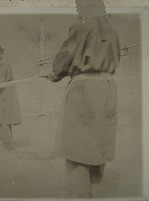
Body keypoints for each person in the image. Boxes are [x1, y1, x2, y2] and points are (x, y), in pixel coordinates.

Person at [47, 0, 120, 197]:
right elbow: (116, 59)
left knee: (77, 146)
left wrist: (53, 74)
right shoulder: (112, 29)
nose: (77, 9)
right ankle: (90, 189)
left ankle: (81, 193)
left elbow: (62, 61)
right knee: (98, 142)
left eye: (80, 5)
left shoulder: (81, 26)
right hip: (108, 90)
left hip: (84, 92)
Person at [0, 44, 22, 151]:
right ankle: (6, 142)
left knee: (3, 119)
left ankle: (7, 143)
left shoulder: (4, 65)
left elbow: (0, 81)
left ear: (1, 54)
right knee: (0, 119)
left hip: (4, 95)